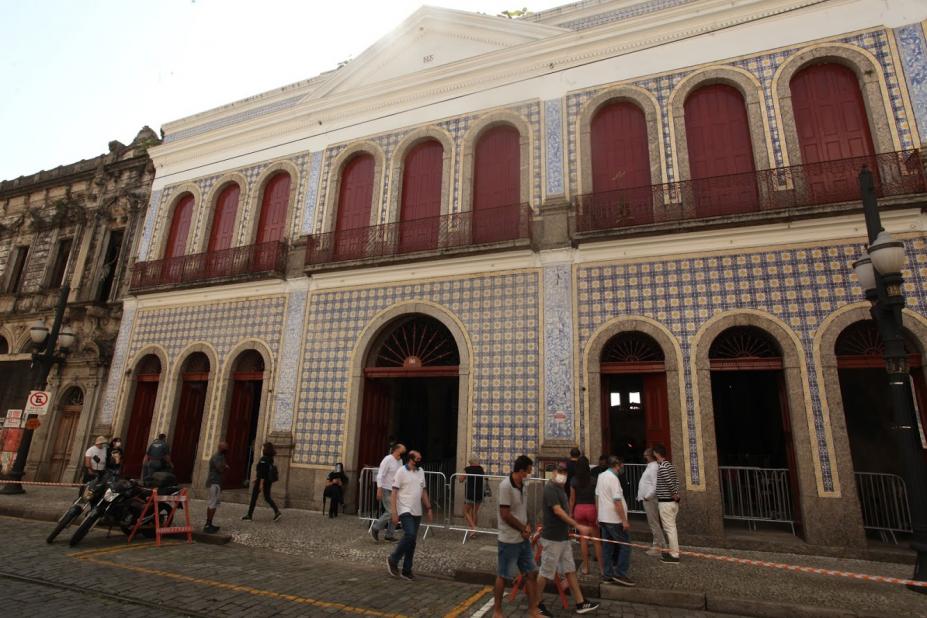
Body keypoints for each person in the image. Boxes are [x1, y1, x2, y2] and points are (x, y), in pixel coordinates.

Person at [538, 461, 600, 615]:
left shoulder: (561, 489)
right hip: (552, 538)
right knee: (546, 572)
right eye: (560, 471)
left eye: (565, 472)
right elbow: (558, 511)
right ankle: (536, 603)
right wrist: (577, 525)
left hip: (563, 537)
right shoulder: (550, 488)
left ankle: (580, 602)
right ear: (553, 473)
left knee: (570, 569)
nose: (563, 475)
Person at [493, 455, 542, 618]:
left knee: (532, 573)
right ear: (521, 471)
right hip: (508, 539)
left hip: (523, 539)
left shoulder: (524, 485)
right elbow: (505, 514)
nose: (529, 474)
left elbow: (522, 510)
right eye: (528, 471)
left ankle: (533, 609)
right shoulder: (505, 486)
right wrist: (522, 527)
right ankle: (497, 611)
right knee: (503, 575)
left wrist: (527, 525)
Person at [386, 450, 432, 581]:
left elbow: (423, 491)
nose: (420, 460)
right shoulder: (401, 471)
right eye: (418, 458)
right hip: (404, 509)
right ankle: (393, 559)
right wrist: (394, 512)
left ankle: (407, 570)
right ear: (411, 459)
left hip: (417, 510)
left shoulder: (421, 471)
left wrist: (428, 507)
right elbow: (394, 493)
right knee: (410, 534)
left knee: (412, 541)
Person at [596, 455, 634, 586]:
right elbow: (617, 501)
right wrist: (624, 520)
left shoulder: (601, 476)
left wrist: (598, 515)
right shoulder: (613, 479)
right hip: (614, 519)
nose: (622, 467)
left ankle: (607, 574)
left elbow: (597, 496)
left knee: (607, 547)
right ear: (617, 465)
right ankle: (620, 574)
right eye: (621, 465)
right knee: (626, 545)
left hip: (604, 518)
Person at [570, 455, 602, 575]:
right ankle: (602, 569)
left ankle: (586, 568)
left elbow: (572, 499)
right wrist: (598, 513)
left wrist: (570, 513)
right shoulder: (593, 479)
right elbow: (596, 497)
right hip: (591, 509)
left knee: (583, 540)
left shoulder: (574, 480)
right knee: (597, 541)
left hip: (579, 509)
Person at [371, 442, 405, 542]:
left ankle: (389, 535)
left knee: (395, 512)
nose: (403, 454)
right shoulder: (387, 459)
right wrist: (379, 488)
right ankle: (376, 527)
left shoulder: (400, 461)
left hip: (395, 490)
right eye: (402, 451)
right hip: (386, 489)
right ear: (396, 450)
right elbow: (380, 474)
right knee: (390, 511)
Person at [654, 444, 681, 564]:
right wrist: (676, 493)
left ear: (656, 454)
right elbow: (676, 480)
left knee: (669, 528)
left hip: (666, 501)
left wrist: (674, 493)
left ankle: (674, 554)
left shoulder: (663, 466)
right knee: (671, 527)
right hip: (672, 502)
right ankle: (672, 552)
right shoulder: (669, 465)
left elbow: (669, 481)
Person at [242, 442, 282, 522]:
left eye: (264, 447)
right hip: (267, 481)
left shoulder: (264, 459)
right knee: (267, 497)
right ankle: (277, 512)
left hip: (262, 481)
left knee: (254, 498)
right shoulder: (270, 459)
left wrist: (260, 483)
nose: (262, 449)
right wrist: (257, 479)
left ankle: (249, 515)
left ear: (265, 449)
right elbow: (265, 471)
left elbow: (262, 473)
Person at [637, 447, 666, 557]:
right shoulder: (650, 466)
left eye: (646, 455)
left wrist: (648, 496)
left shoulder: (653, 467)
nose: (645, 457)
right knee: (653, 522)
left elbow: (654, 485)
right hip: (647, 498)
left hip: (650, 499)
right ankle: (660, 544)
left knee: (653, 523)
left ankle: (658, 546)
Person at [204, 441, 228, 534]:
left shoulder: (222, 456)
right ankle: (207, 524)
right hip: (213, 482)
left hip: (218, 482)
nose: (227, 449)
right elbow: (220, 469)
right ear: (220, 448)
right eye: (225, 447)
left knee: (214, 504)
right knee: (212, 503)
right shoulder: (216, 457)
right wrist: (225, 466)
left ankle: (210, 523)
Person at [460, 454, 486, 540]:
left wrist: (462, 477)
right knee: (474, 512)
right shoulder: (481, 469)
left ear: (470, 461)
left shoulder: (467, 469)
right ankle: (472, 533)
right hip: (479, 494)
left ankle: (473, 528)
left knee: (465, 511)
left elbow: (461, 479)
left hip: (470, 494)